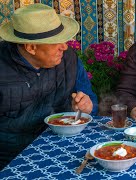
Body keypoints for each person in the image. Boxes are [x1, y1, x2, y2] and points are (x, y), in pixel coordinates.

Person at [0, 3, 98, 169]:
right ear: (31, 47)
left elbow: (91, 102)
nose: (65, 47)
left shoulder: (69, 59)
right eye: (56, 42)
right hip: (11, 159)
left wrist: (87, 106)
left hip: (64, 149)